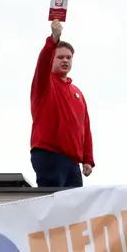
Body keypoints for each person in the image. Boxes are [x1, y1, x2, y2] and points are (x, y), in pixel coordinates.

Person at [30, 19, 95, 187]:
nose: (65, 60)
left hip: (73, 162)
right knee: (53, 205)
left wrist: (88, 158)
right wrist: (53, 39)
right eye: (60, 57)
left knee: (75, 209)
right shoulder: (44, 83)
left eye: (68, 57)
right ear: (52, 59)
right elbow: (42, 63)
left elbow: (85, 127)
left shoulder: (77, 92)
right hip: (49, 154)